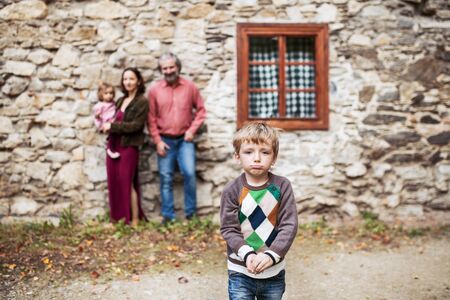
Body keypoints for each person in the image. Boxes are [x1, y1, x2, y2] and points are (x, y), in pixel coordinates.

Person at [220, 122, 298, 300]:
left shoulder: (282, 186)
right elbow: (229, 229)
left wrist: (272, 255)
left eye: (265, 152)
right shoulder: (232, 190)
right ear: (237, 156)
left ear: (274, 157)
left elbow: (289, 225)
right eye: (249, 152)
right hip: (240, 268)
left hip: (273, 270)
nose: (257, 158)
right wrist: (247, 254)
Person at [147, 52, 206, 224]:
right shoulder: (155, 90)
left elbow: (201, 111)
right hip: (165, 141)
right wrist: (157, 141)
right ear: (161, 70)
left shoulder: (190, 87)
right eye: (164, 68)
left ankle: (191, 214)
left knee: (189, 174)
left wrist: (192, 131)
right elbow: (151, 118)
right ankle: (168, 216)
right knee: (166, 178)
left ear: (178, 67)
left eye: (171, 67)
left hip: (185, 140)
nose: (168, 70)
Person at [102, 67, 148, 227]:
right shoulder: (120, 100)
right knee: (113, 181)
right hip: (114, 145)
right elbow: (111, 118)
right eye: (125, 79)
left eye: (131, 79)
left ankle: (134, 220)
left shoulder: (142, 101)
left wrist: (113, 126)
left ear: (139, 81)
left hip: (129, 147)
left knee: (127, 181)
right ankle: (116, 219)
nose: (128, 82)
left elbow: (136, 126)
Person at [93, 82, 120, 159]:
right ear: (101, 95)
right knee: (111, 135)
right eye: (106, 93)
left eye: (111, 93)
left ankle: (111, 147)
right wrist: (98, 116)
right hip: (105, 123)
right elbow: (97, 116)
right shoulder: (100, 105)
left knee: (114, 135)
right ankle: (110, 149)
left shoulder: (114, 103)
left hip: (113, 121)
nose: (109, 95)